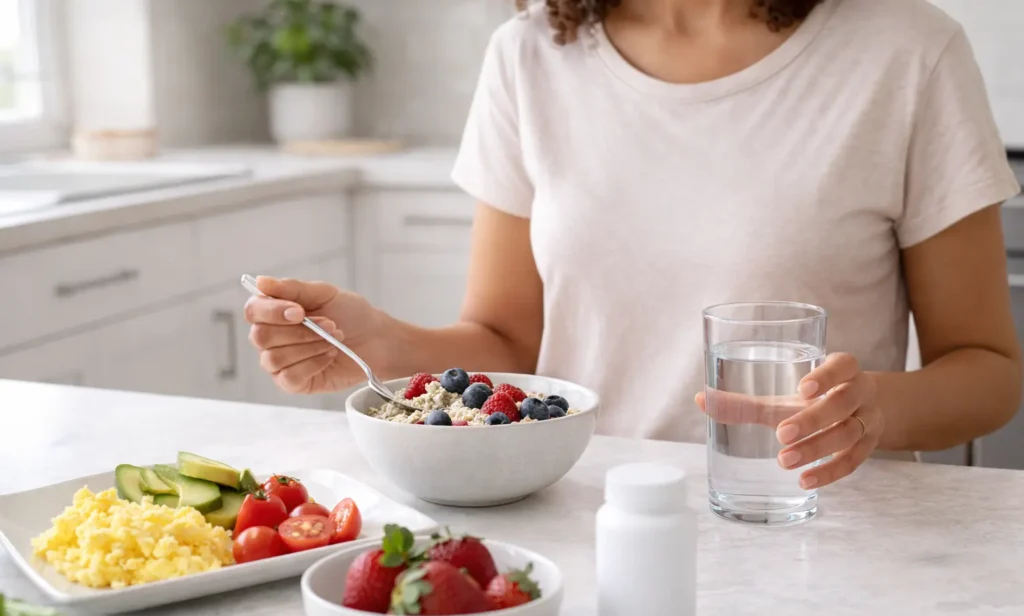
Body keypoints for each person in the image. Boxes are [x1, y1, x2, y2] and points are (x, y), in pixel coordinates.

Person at [244, 0, 1022, 491]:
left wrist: (873, 411)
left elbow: (989, 373)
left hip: (821, 533)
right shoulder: (528, 57)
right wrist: (379, 343)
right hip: (589, 522)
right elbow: (509, 340)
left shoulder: (909, 50)